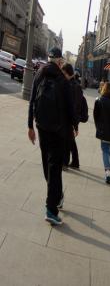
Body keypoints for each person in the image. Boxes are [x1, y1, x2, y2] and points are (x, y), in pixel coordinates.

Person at [27, 47, 75, 226]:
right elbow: (70, 107)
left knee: (47, 164)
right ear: (60, 61)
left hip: (42, 126)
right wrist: (74, 126)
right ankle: (51, 209)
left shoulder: (39, 73)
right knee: (54, 167)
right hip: (58, 129)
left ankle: (57, 196)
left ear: (48, 59)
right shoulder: (63, 79)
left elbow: (32, 100)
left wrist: (30, 126)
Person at [61, 63, 87, 169]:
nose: (63, 75)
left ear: (68, 73)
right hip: (71, 117)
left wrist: (74, 124)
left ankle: (65, 163)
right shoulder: (73, 84)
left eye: (63, 73)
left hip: (70, 117)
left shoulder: (73, 86)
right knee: (70, 139)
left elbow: (75, 106)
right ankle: (75, 162)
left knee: (67, 140)